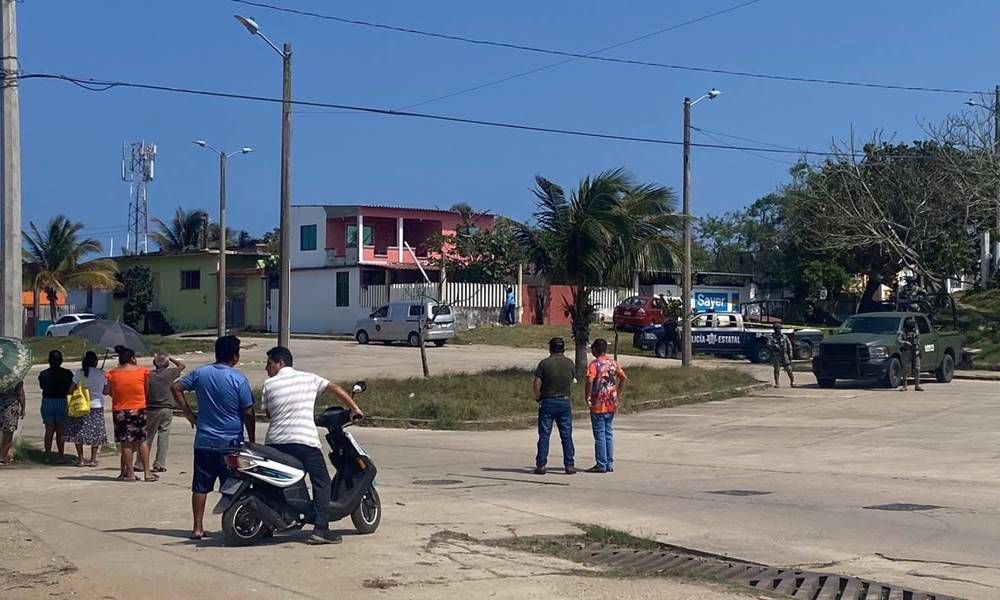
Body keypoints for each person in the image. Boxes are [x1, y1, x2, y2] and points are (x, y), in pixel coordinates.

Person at [261, 346, 364, 545]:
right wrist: (355, 409)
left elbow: (269, 415)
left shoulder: (269, 384)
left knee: (276, 480)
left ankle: (269, 524)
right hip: (304, 441)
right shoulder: (309, 378)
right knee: (322, 481)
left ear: (280, 363)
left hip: (275, 442)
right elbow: (334, 387)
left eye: (269, 363)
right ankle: (321, 529)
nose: (267, 368)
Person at [171, 335, 255, 540]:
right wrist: (251, 438)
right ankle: (231, 526)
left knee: (200, 486)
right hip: (231, 443)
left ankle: (197, 527)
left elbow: (176, 387)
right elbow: (248, 412)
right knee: (233, 486)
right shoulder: (238, 379)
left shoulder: (201, 373)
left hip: (205, 441)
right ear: (235, 356)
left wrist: (189, 414)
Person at [105, 348, 155, 482]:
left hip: (120, 410)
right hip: (139, 408)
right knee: (142, 440)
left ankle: (130, 473)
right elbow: (146, 389)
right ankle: (147, 472)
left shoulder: (112, 374)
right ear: (132, 358)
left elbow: (108, 391)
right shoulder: (143, 371)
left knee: (125, 442)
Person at [532, 337, 576, 475]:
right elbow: (572, 380)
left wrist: (538, 397)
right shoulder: (569, 363)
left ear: (550, 348)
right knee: (566, 435)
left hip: (547, 401)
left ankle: (541, 465)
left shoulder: (544, 363)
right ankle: (569, 465)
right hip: (564, 401)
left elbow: (536, 384)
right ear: (563, 348)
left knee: (544, 434)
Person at [138, 354, 186, 473]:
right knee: (163, 436)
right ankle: (159, 463)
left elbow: (145, 390)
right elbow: (182, 366)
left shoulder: (150, 374)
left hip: (152, 408)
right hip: (167, 408)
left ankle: (140, 463)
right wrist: (170, 358)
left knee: (148, 436)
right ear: (167, 364)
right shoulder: (170, 373)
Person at [585, 338, 626, 474]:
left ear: (595, 350)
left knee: (600, 434)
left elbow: (590, 380)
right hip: (611, 402)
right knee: (608, 433)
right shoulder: (613, 363)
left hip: (598, 403)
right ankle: (609, 463)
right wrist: (617, 392)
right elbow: (623, 377)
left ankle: (601, 464)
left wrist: (588, 395)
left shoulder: (594, 364)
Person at [66, 351, 108, 467]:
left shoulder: (79, 373)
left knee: (78, 432)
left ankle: (80, 459)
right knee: (96, 433)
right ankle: (93, 459)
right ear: (95, 362)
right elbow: (106, 391)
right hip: (96, 406)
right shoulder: (101, 373)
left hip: (80, 406)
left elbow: (71, 390)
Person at [38, 350, 73, 463]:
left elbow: (42, 386)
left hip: (47, 401)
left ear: (49, 361)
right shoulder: (67, 373)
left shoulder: (43, 374)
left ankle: (47, 455)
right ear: (61, 361)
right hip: (62, 401)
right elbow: (71, 388)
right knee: (60, 430)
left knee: (49, 429)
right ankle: (61, 455)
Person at [0, 381, 26, 465]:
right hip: (10, 406)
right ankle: (2, 457)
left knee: (7, 432)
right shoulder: (16, 378)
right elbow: (20, 393)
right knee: (8, 433)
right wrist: (23, 408)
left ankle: (3, 456)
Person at [898, 317, 923, 392]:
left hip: (915, 351)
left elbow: (919, 340)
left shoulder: (915, 331)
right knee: (905, 369)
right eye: (910, 323)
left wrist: (918, 348)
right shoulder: (902, 332)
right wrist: (905, 342)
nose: (911, 325)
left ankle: (917, 385)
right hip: (906, 351)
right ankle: (904, 386)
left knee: (917, 368)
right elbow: (897, 341)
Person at [767, 324, 795, 388]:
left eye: (779, 329)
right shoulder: (771, 337)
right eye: (777, 329)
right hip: (776, 355)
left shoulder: (784, 337)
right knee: (777, 369)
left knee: (789, 369)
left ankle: (792, 382)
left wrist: (790, 353)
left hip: (784, 355)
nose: (779, 330)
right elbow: (768, 344)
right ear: (775, 330)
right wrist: (774, 346)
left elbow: (789, 345)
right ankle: (777, 382)